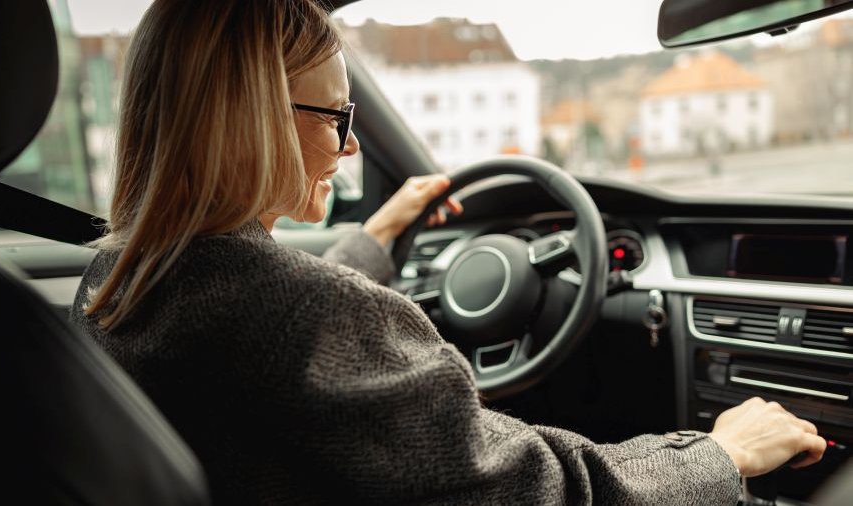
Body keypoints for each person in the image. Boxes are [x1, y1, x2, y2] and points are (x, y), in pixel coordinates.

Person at [70, 1, 825, 504]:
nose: (353, 143)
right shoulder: (304, 314)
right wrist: (718, 454)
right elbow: (533, 491)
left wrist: (376, 241)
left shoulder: (121, 282)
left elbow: (283, 337)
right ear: (253, 118)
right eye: (336, 114)